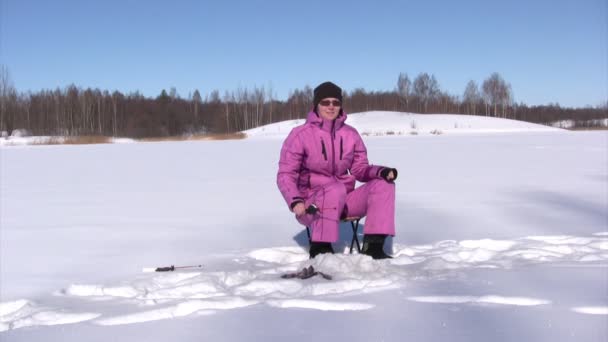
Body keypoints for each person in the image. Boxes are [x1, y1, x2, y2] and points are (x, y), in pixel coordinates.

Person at [277, 81, 398, 259]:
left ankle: (374, 248)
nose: (331, 106)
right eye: (325, 102)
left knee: (384, 185)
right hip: (312, 205)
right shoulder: (300, 135)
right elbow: (286, 174)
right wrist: (295, 201)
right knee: (335, 188)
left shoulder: (350, 134)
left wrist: (380, 172)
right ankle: (321, 250)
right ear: (316, 105)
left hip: (344, 200)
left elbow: (359, 168)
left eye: (336, 102)